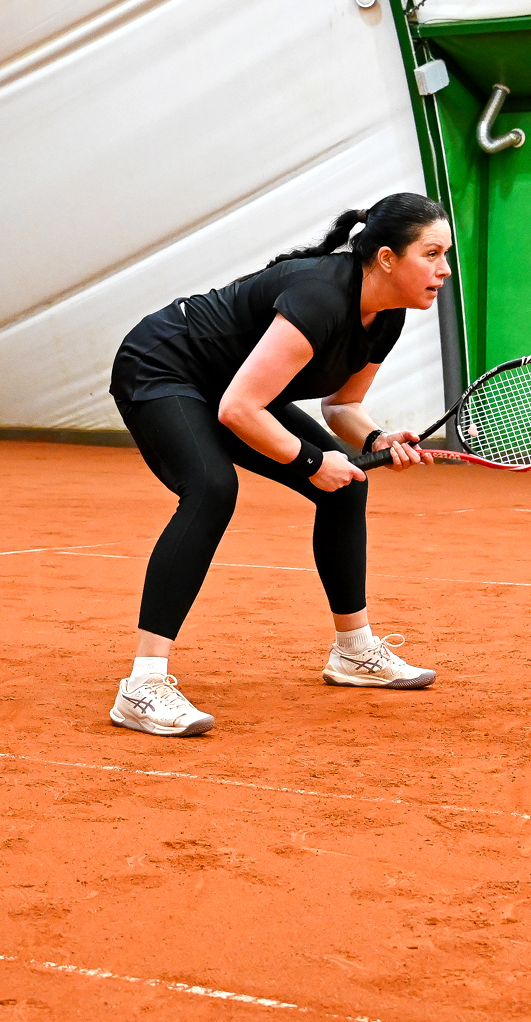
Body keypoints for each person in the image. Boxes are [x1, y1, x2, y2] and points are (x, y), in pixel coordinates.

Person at [106, 192, 453, 737]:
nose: (444, 269)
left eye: (445, 255)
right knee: (211, 488)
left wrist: (377, 438)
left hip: (231, 387)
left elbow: (342, 405)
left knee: (346, 486)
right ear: (387, 258)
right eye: (431, 254)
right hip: (164, 366)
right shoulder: (320, 296)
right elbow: (239, 410)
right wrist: (313, 462)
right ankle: (142, 685)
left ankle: (354, 651)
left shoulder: (387, 316)